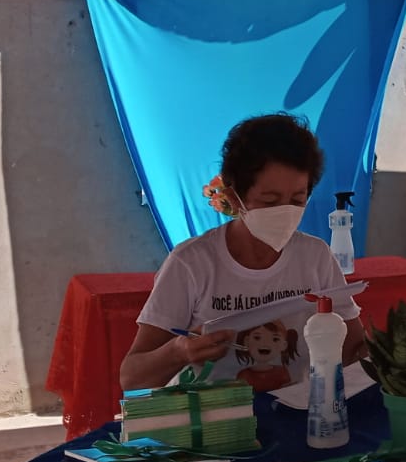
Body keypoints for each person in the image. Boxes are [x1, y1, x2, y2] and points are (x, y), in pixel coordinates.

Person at [121, 113, 363, 392]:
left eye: (297, 200)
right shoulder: (191, 263)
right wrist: (179, 352)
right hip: (216, 414)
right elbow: (132, 378)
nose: (285, 212)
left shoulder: (315, 257)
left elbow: (354, 349)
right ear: (234, 198)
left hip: (298, 411)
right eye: (270, 201)